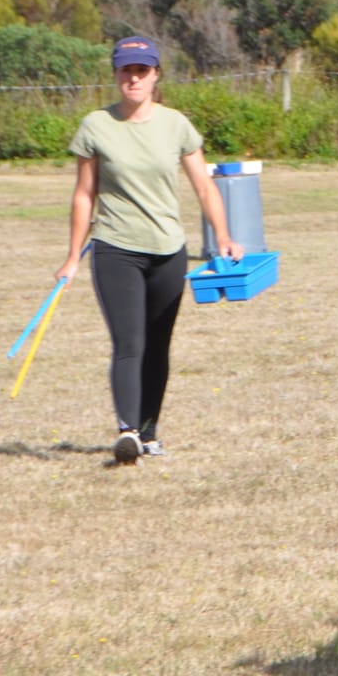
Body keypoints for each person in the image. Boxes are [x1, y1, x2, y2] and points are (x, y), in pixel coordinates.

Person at [57, 35, 242, 464]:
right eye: (126, 70)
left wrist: (225, 237)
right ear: (116, 75)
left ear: (156, 75)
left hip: (167, 251)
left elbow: (203, 186)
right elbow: (84, 195)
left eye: (142, 70)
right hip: (116, 249)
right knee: (129, 342)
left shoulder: (176, 124)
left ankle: (148, 430)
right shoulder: (95, 126)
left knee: (159, 345)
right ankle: (126, 432)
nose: (134, 78)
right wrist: (71, 256)